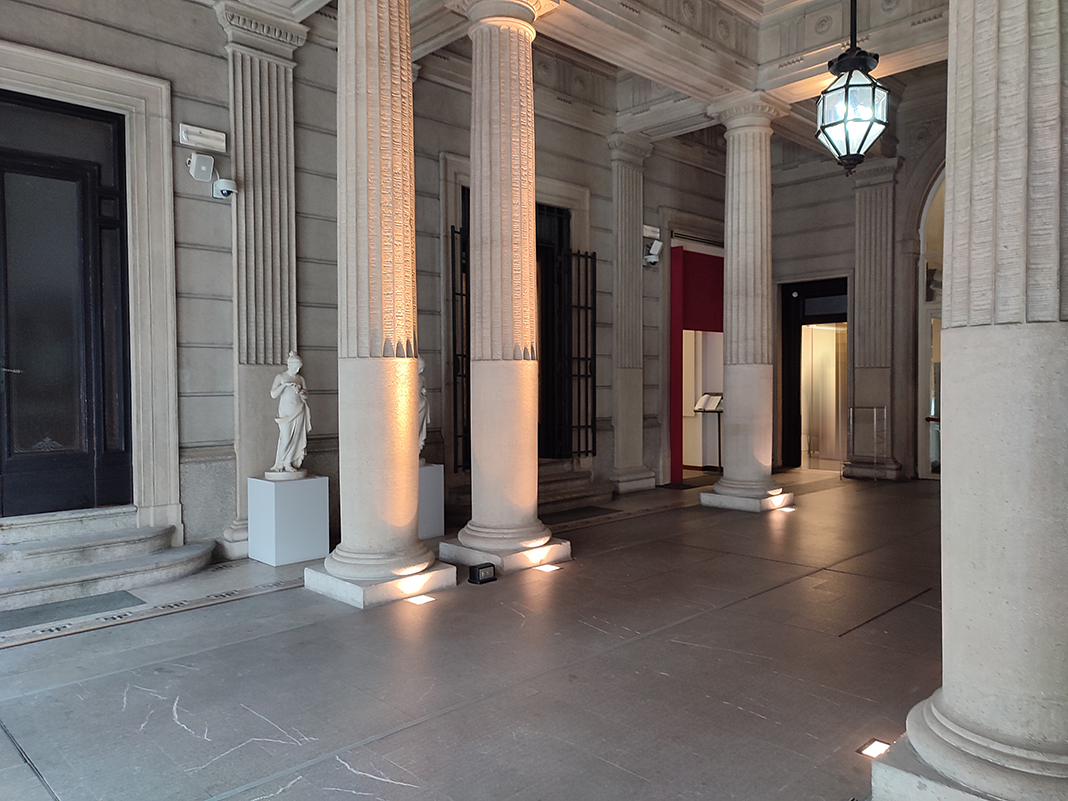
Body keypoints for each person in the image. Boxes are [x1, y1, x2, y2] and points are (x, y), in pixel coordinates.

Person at [268, 351, 311, 476]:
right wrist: (285, 385)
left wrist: (301, 392)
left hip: (299, 410)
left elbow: (306, 395)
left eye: (299, 367)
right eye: (295, 367)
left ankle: (288, 462)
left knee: (296, 438)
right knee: (286, 438)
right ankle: (279, 463)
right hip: (286, 413)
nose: (297, 370)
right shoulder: (281, 377)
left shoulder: (300, 379)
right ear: (290, 365)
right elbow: (273, 394)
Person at [417, 356, 429, 465]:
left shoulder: (422, 379)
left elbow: (424, 389)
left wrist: (424, 391)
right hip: (413, 406)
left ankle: (417, 450)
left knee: (419, 429)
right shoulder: (408, 378)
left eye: (422, 368)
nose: (421, 370)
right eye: (420, 367)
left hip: (422, 404)